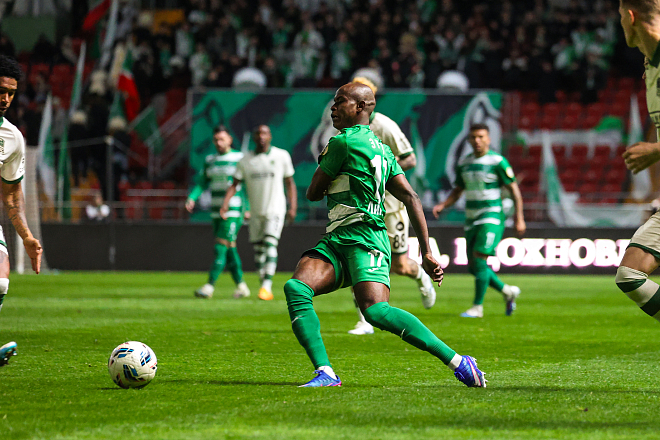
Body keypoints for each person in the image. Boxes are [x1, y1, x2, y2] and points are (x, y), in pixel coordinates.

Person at [284, 82, 485, 388]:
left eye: (340, 102)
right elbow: (411, 197)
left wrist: (329, 175)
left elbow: (312, 193)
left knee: (376, 311)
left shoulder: (342, 143)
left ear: (360, 107)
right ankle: (326, 373)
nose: (333, 108)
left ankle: (458, 360)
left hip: (365, 238)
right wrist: (427, 253)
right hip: (339, 238)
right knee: (297, 287)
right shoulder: (382, 149)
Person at [346, 77, 437, 335]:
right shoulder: (345, 129)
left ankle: (420, 276)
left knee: (399, 266)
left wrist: (381, 168)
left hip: (391, 206)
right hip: (362, 206)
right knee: (357, 260)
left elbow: (410, 159)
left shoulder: (384, 125)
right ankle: (364, 320)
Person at [432, 124, 525, 318]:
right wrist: (443, 205)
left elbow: (514, 191)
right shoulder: (465, 163)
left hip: (491, 215)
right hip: (471, 217)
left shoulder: (498, 161)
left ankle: (477, 308)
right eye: (473, 137)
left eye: (481, 136)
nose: (477, 140)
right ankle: (507, 291)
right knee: (474, 267)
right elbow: (458, 190)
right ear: (469, 140)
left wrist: (519, 218)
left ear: (488, 139)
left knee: (480, 257)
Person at [615, 0, 660, 322]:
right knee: (631, 273)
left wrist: (656, 150)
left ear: (630, 17)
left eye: (620, 16)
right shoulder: (652, 64)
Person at [0, 55, 44, 366]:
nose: (5, 99)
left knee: (0, 281)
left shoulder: (12, 138)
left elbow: (13, 195)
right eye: (0, 91)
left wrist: (26, 236)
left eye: (11, 93)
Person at [220, 125, 296, 301]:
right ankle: (263, 283)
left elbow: (289, 182)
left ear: (270, 136)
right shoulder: (245, 160)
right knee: (258, 250)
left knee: (270, 243)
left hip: (275, 208)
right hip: (255, 210)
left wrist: (292, 207)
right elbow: (235, 184)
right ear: (254, 137)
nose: (261, 136)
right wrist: (225, 204)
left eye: (265, 133)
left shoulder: (281, 156)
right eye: (258, 133)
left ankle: (266, 286)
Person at [186, 125, 250, 299]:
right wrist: (192, 197)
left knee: (220, 246)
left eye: (222, 139)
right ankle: (242, 286)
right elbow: (202, 182)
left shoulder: (239, 158)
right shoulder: (210, 160)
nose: (219, 143)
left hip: (233, 210)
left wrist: (248, 208)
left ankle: (209, 286)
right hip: (215, 210)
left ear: (230, 139)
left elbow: (245, 185)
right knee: (229, 249)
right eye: (216, 140)